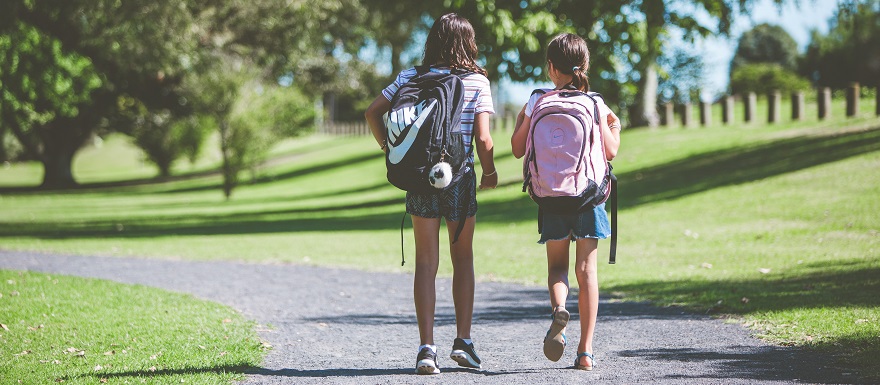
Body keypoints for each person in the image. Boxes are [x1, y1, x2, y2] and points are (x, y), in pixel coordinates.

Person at [364, 13, 498, 375]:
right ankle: (464, 343)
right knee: (463, 259)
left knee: (426, 263)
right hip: (458, 178)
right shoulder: (476, 81)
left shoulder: (410, 77)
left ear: (433, 41)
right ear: (468, 43)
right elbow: (484, 139)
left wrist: (389, 148)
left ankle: (426, 349)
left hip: (420, 176)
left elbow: (372, 112)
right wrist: (491, 172)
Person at [510, 33, 621, 371]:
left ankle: (559, 308)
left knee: (557, 267)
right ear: (583, 66)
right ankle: (585, 352)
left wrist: (522, 120)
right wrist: (615, 126)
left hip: (550, 198)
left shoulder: (536, 100)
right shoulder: (594, 102)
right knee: (587, 271)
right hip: (587, 198)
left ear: (550, 68)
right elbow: (611, 150)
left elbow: (517, 149)